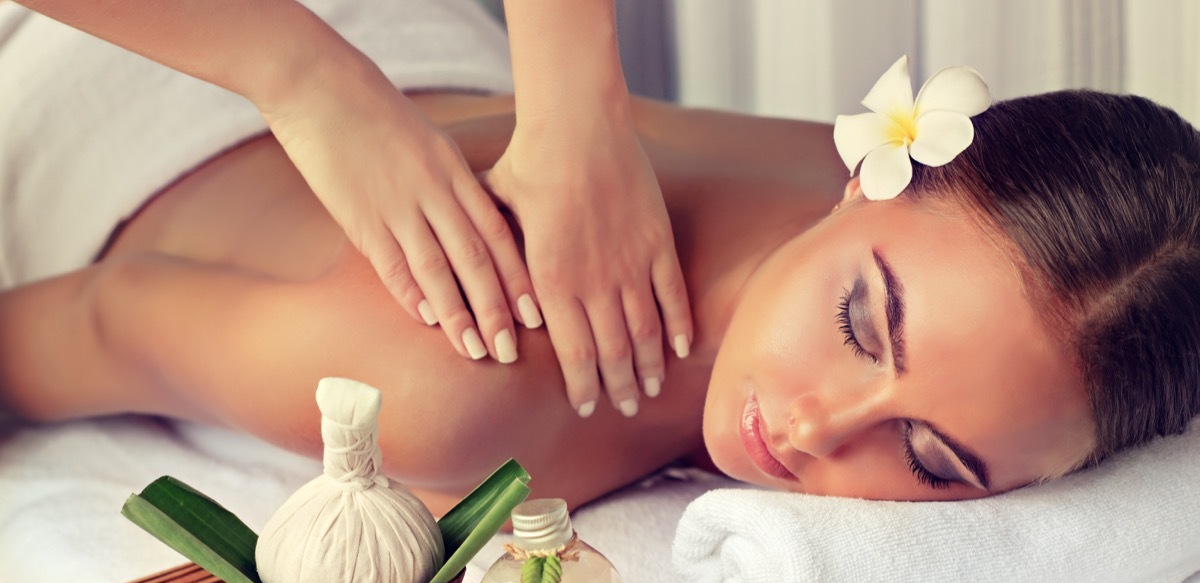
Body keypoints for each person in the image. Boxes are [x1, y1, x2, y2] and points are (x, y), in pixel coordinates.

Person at [1, 5, 1198, 515]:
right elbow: (57, 334)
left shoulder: (910, 214)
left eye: (932, 462)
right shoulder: (458, 375)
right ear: (872, 177)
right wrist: (302, 73)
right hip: (85, 69)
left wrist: (574, 94)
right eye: (858, 322)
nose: (818, 429)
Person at [8, 0, 692, 421]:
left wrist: (574, 105)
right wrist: (296, 71)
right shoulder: (429, 383)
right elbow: (102, 319)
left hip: (412, 30)